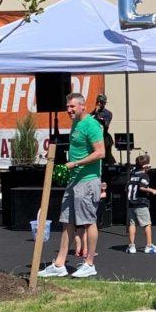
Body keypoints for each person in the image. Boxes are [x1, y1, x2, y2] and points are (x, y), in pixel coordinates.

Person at [40, 93, 105, 278]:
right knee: (66, 221)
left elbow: (100, 153)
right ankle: (60, 264)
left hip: (88, 180)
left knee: (87, 222)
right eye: (68, 107)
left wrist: (75, 164)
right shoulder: (76, 123)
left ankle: (89, 263)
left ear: (82, 106)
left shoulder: (91, 125)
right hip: (74, 180)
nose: (69, 110)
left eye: (72, 107)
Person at [126, 154, 156, 254]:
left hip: (131, 203)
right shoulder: (144, 176)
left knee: (132, 224)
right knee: (147, 224)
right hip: (141, 203)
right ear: (145, 166)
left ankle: (132, 246)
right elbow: (142, 187)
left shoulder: (132, 174)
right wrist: (152, 190)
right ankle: (149, 245)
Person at [91, 93, 115, 165]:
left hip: (104, 138)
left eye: (101, 102)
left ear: (104, 103)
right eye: (98, 102)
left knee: (106, 157)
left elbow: (105, 125)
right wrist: (95, 112)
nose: (99, 104)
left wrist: (98, 115)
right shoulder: (92, 114)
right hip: (95, 138)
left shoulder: (108, 113)